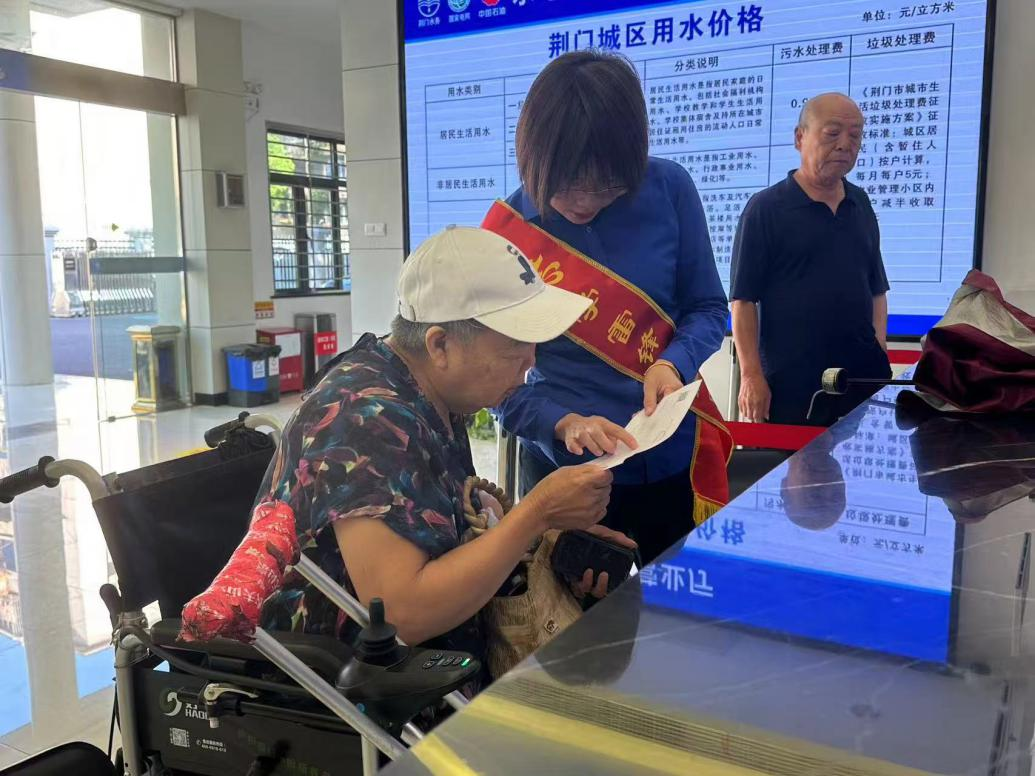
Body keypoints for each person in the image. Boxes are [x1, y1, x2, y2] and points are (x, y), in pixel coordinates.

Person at [258, 226, 633, 679]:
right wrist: (535, 514)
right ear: (440, 345)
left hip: (440, 663)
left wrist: (548, 537)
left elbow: (443, 530)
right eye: (515, 345)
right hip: (362, 687)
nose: (531, 361)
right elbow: (402, 615)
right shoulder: (365, 418)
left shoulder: (424, 389)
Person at [486, 50, 729, 565]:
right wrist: (562, 422)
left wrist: (673, 363)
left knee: (677, 607)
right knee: (579, 613)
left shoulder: (670, 190)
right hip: (568, 478)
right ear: (534, 160)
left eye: (608, 187)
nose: (586, 203)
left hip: (670, 461)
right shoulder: (509, 236)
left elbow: (709, 308)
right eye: (569, 187)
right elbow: (495, 388)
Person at [730, 92, 892, 426]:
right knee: (794, 462)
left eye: (855, 136)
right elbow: (743, 300)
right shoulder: (766, 208)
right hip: (792, 384)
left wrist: (879, 350)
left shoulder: (860, 203)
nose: (845, 145)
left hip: (860, 379)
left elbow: (876, 288)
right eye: (832, 133)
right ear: (799, 137)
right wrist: (751, 375)